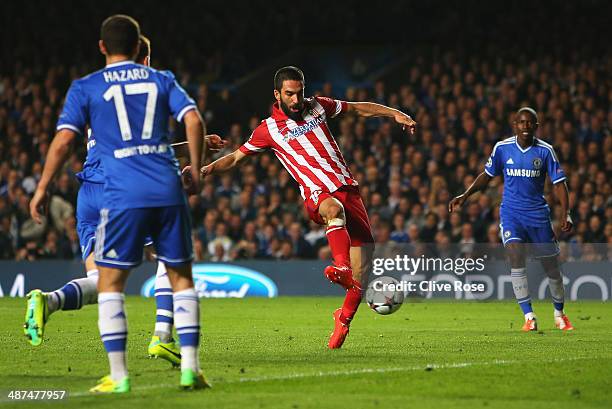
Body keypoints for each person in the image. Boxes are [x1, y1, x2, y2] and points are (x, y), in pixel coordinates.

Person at [29, 15, 209, 392]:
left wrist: (43, 186)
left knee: (108, 282)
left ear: (101, 47)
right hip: (163, 187)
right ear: (140, 46)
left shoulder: (88, 88)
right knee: (181, 277)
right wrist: (194, 167)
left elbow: (64, 142)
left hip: (114, 191)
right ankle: (189, 365)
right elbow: (192, 119)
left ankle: (119, 373)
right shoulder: (161, 79)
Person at [192, 66, 416, 348]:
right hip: (318, 195)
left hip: (348, 190)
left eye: (300, 93)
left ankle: (343, 318)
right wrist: (206, 170)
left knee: (364, 271)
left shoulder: (318, 106)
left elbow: (358, 109)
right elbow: (237, 158)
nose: (297, 100)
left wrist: (395, 113)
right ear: (277, 94)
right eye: (290, 94)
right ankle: (341, 266)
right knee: (334, 211)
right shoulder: (268, 130)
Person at [449, 107, 574, 332]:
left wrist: (566, 213)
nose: (525, 126)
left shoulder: (545, 151)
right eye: (521, 122)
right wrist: (465, 195)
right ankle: (529, 316)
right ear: (514, 124)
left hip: (537, 216)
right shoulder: (502, 148)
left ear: (536, 126)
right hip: (511, 213)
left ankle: (559, 313)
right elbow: (487, 176)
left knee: (551, 268)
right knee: (515, 256)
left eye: (530, 123)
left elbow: (559, 184)